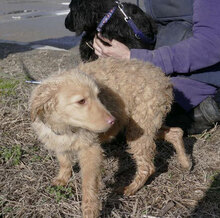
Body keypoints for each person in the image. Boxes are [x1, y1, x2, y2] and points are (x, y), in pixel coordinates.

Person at [93, 0, 220, 135]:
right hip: (163, 68)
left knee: (121, 123)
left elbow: (210, 45)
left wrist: (135, 57)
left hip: (198, 83)